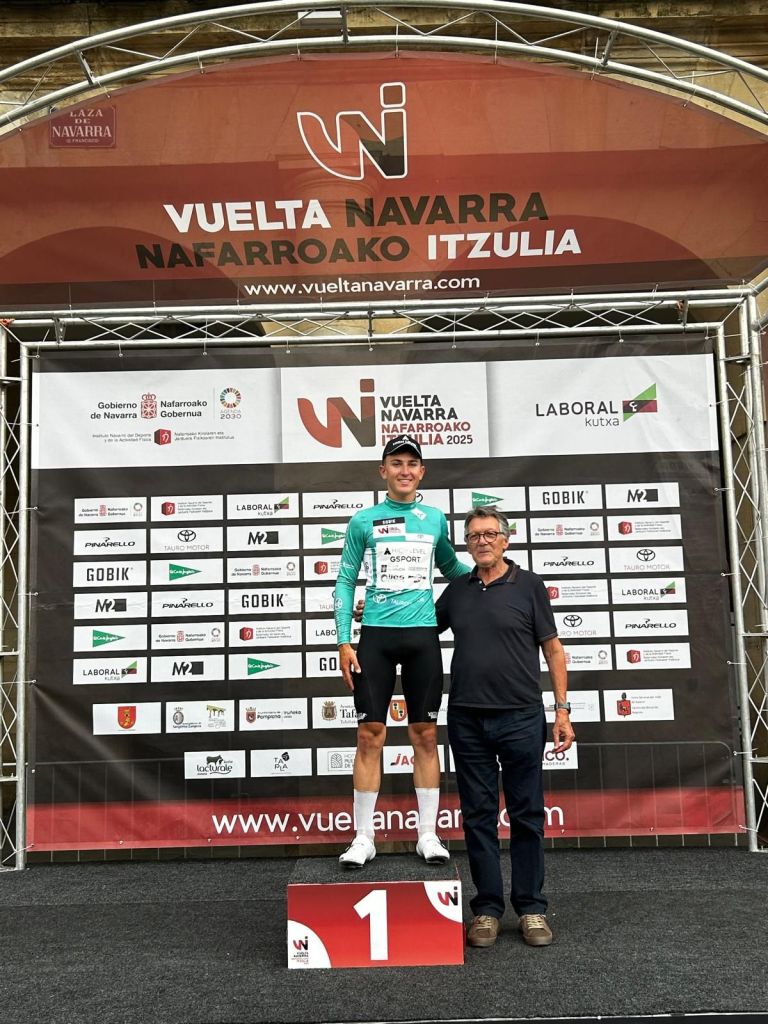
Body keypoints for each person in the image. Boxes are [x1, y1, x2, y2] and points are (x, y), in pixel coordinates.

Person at [435, 505, 574, 948]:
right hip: (467, 719)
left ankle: (532, 908)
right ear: (467, 544)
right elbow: (418, 631)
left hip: (521, 717)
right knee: (477, 816)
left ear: (506, 539)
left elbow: (553, 650)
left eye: (490, 533)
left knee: (527, 815)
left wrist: (563, 711)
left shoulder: (530, 585)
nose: (482, 541)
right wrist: (377, 613)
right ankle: (487, 910)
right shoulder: (456, 590)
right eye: (474, 535)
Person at [334, 434, 470, 868]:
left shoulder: (434, 519)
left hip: (422, 639)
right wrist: (343, 639)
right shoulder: (363, 521)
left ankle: (427, 834)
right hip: (375, 638)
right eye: (396, 463)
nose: (405, 470)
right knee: (369, 735)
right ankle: (363, 838)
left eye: (412, 463)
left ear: (422, 472)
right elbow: (345, 580)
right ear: (383, 471)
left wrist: (496, 577)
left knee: (425, 735)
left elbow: (452, 567)